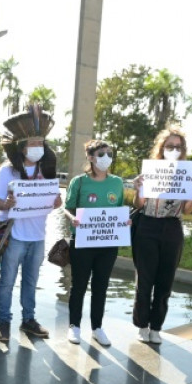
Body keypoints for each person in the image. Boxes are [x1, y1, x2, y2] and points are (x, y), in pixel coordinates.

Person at [0, 104, 62, 342]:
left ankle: (28, 320)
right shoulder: (7, 171)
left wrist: (56, 202)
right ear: (22, 147)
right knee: (7, 282)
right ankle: (4, 322)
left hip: (38, 236)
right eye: (33, 143)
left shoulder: (47, 170)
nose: (37, 147)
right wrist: (6, 204)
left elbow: (53, 200)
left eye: (41, 143)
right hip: (14, 236)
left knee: (31, 282)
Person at [131, 128, 192, 344]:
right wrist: (138, 189)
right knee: (144, 280)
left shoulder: (188, 173)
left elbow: (187, 210)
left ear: (183, 150)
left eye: (178, 147)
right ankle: (142, 325)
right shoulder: (150, 170)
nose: (174, 150)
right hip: (147, 225)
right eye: (169, 146)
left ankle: (156, 327)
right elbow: (139, 204)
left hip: (172, 227)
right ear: (161, 148)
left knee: (165, 281)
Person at [62, 140, 125, 346]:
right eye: (101, 154)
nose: (106, 158)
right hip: (82, 241)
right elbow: (68, 207)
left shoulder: (117, 182)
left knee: (101, 286)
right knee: (79, 285)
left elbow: (119, 209)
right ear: (90, 157)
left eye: (109, 153)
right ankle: (74, 326)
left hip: (108, 243)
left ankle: (97, 327)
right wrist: (72, 218)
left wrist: (124, 221)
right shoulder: (79, 182)